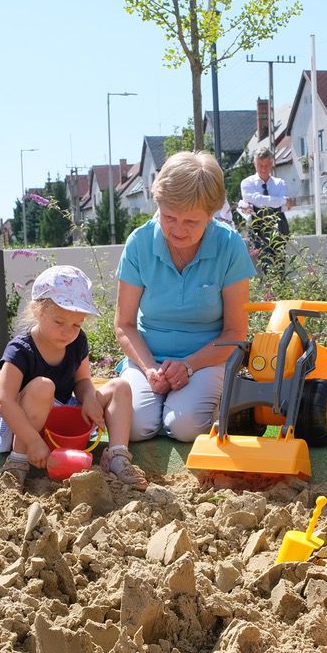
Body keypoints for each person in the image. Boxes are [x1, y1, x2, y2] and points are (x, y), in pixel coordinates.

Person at [115, 151, 256, 441]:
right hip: (148, 358)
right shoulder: (139, 243)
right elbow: (125, 324)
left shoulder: (229, 246)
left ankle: (208, 403)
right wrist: (150, 368)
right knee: (134, 426)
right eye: (169, 217)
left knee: (184, 426)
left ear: (211, 213)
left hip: (207, 359)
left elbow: (235, 332)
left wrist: (189, 365)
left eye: (191, 221)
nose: (178, 230)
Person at [0, 266, 147, 491]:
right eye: (59, 322)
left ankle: (117, 455)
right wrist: (33, 440)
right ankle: (17, 463)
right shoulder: (20, 350)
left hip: (61, 417)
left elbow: (81, 381)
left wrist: (90, 397)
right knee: (44, 386)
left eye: (76, 324)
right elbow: (4, 401)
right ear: (37, 310)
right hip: (22, 427)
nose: (68, 332)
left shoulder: (77, 341)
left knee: (120, 385)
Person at [238, 145, 294, 271]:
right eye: (260, 166)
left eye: (266, 165)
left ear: (271, 164)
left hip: (279, 226)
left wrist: (279, 203)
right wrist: (283, 200)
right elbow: (258, 200)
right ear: (254, 164)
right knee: (266, 266)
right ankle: (269, 290)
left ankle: (280, 290)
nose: (263, 169)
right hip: (259, 229)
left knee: (280, 266)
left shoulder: (280, 183)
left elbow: (281, 207)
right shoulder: (247, 183)